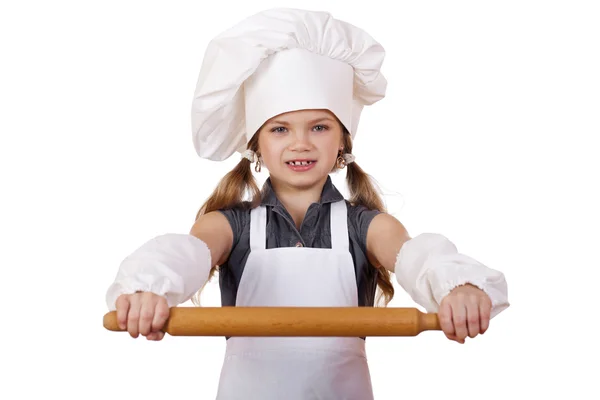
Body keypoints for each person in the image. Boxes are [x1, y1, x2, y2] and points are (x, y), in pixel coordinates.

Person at [105, 8, 509, 400]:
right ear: (257, 145)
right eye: (280, 129)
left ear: (342, 142)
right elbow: (185, 254)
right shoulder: (231, 225)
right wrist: (147, 289)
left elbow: (417, 256)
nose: (301, 143)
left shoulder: (364, 226)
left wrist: (460, 288)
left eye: (319, 127)